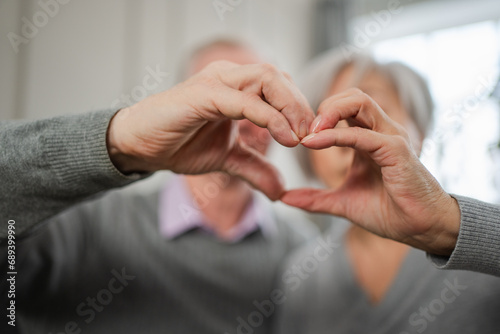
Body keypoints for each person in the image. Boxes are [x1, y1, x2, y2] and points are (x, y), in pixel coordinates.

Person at [0, 42, 315, 333]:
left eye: (263, 99)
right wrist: (120, 140)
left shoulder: (301, 251)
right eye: (230, 99)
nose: (245, 119)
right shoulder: (90, 225)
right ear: (185, 109)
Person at [275, 50, 500, 334]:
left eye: (370, 112)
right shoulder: (301, 277)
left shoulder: (486, 255)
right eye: (323, 120)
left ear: (420, 132)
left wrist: (453, 228)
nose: (347, 137)